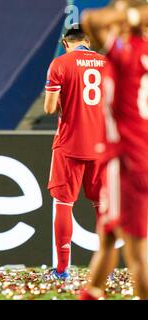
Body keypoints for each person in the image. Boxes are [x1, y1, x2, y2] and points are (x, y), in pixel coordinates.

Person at [79, 0, 148, 299]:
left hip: (127, 160)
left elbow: (90, 19)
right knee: (107, 237)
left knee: (136, 252)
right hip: (134, 156)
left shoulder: (128, 51)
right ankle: (92, 292)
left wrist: (129, 13)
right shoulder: (137, 51)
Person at [44, 24, 107, 280]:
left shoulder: (60, 63)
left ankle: (62, 269)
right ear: (88, 41)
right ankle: (107, 269)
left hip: (70, 144)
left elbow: (48, 109)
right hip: (103, 145)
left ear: (65, 42)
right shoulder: (108, 63)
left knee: (63, 204)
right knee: (103, 207)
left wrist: (64, 101)